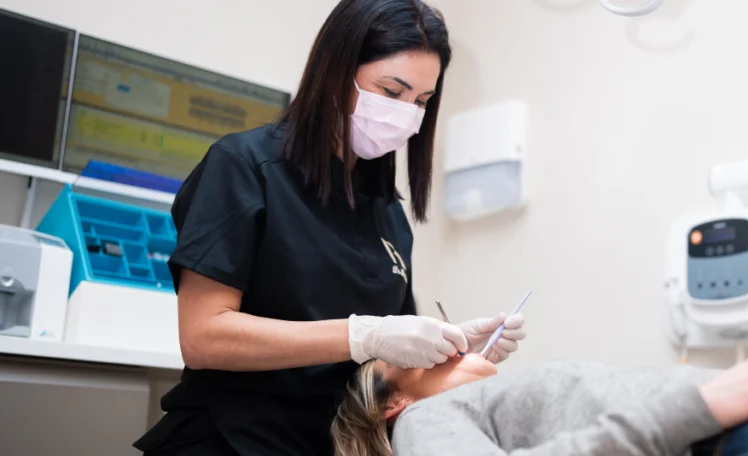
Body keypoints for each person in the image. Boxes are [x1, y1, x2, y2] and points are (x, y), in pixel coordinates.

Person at [132, 1, 527, 455]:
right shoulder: (245, 168)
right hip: (231, 440)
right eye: (391, 91)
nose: (406, 113)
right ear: (336, 69)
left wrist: (450, 349)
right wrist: (363, 335)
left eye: (421, 101)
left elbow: (386, 369)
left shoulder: (388, 213)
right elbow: (203, 337)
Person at [333, 352, 748, 456]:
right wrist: (702, 407)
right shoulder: (424, 420)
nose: (449, 344)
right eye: (418, 353)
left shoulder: (484, 404)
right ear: (391, 403)